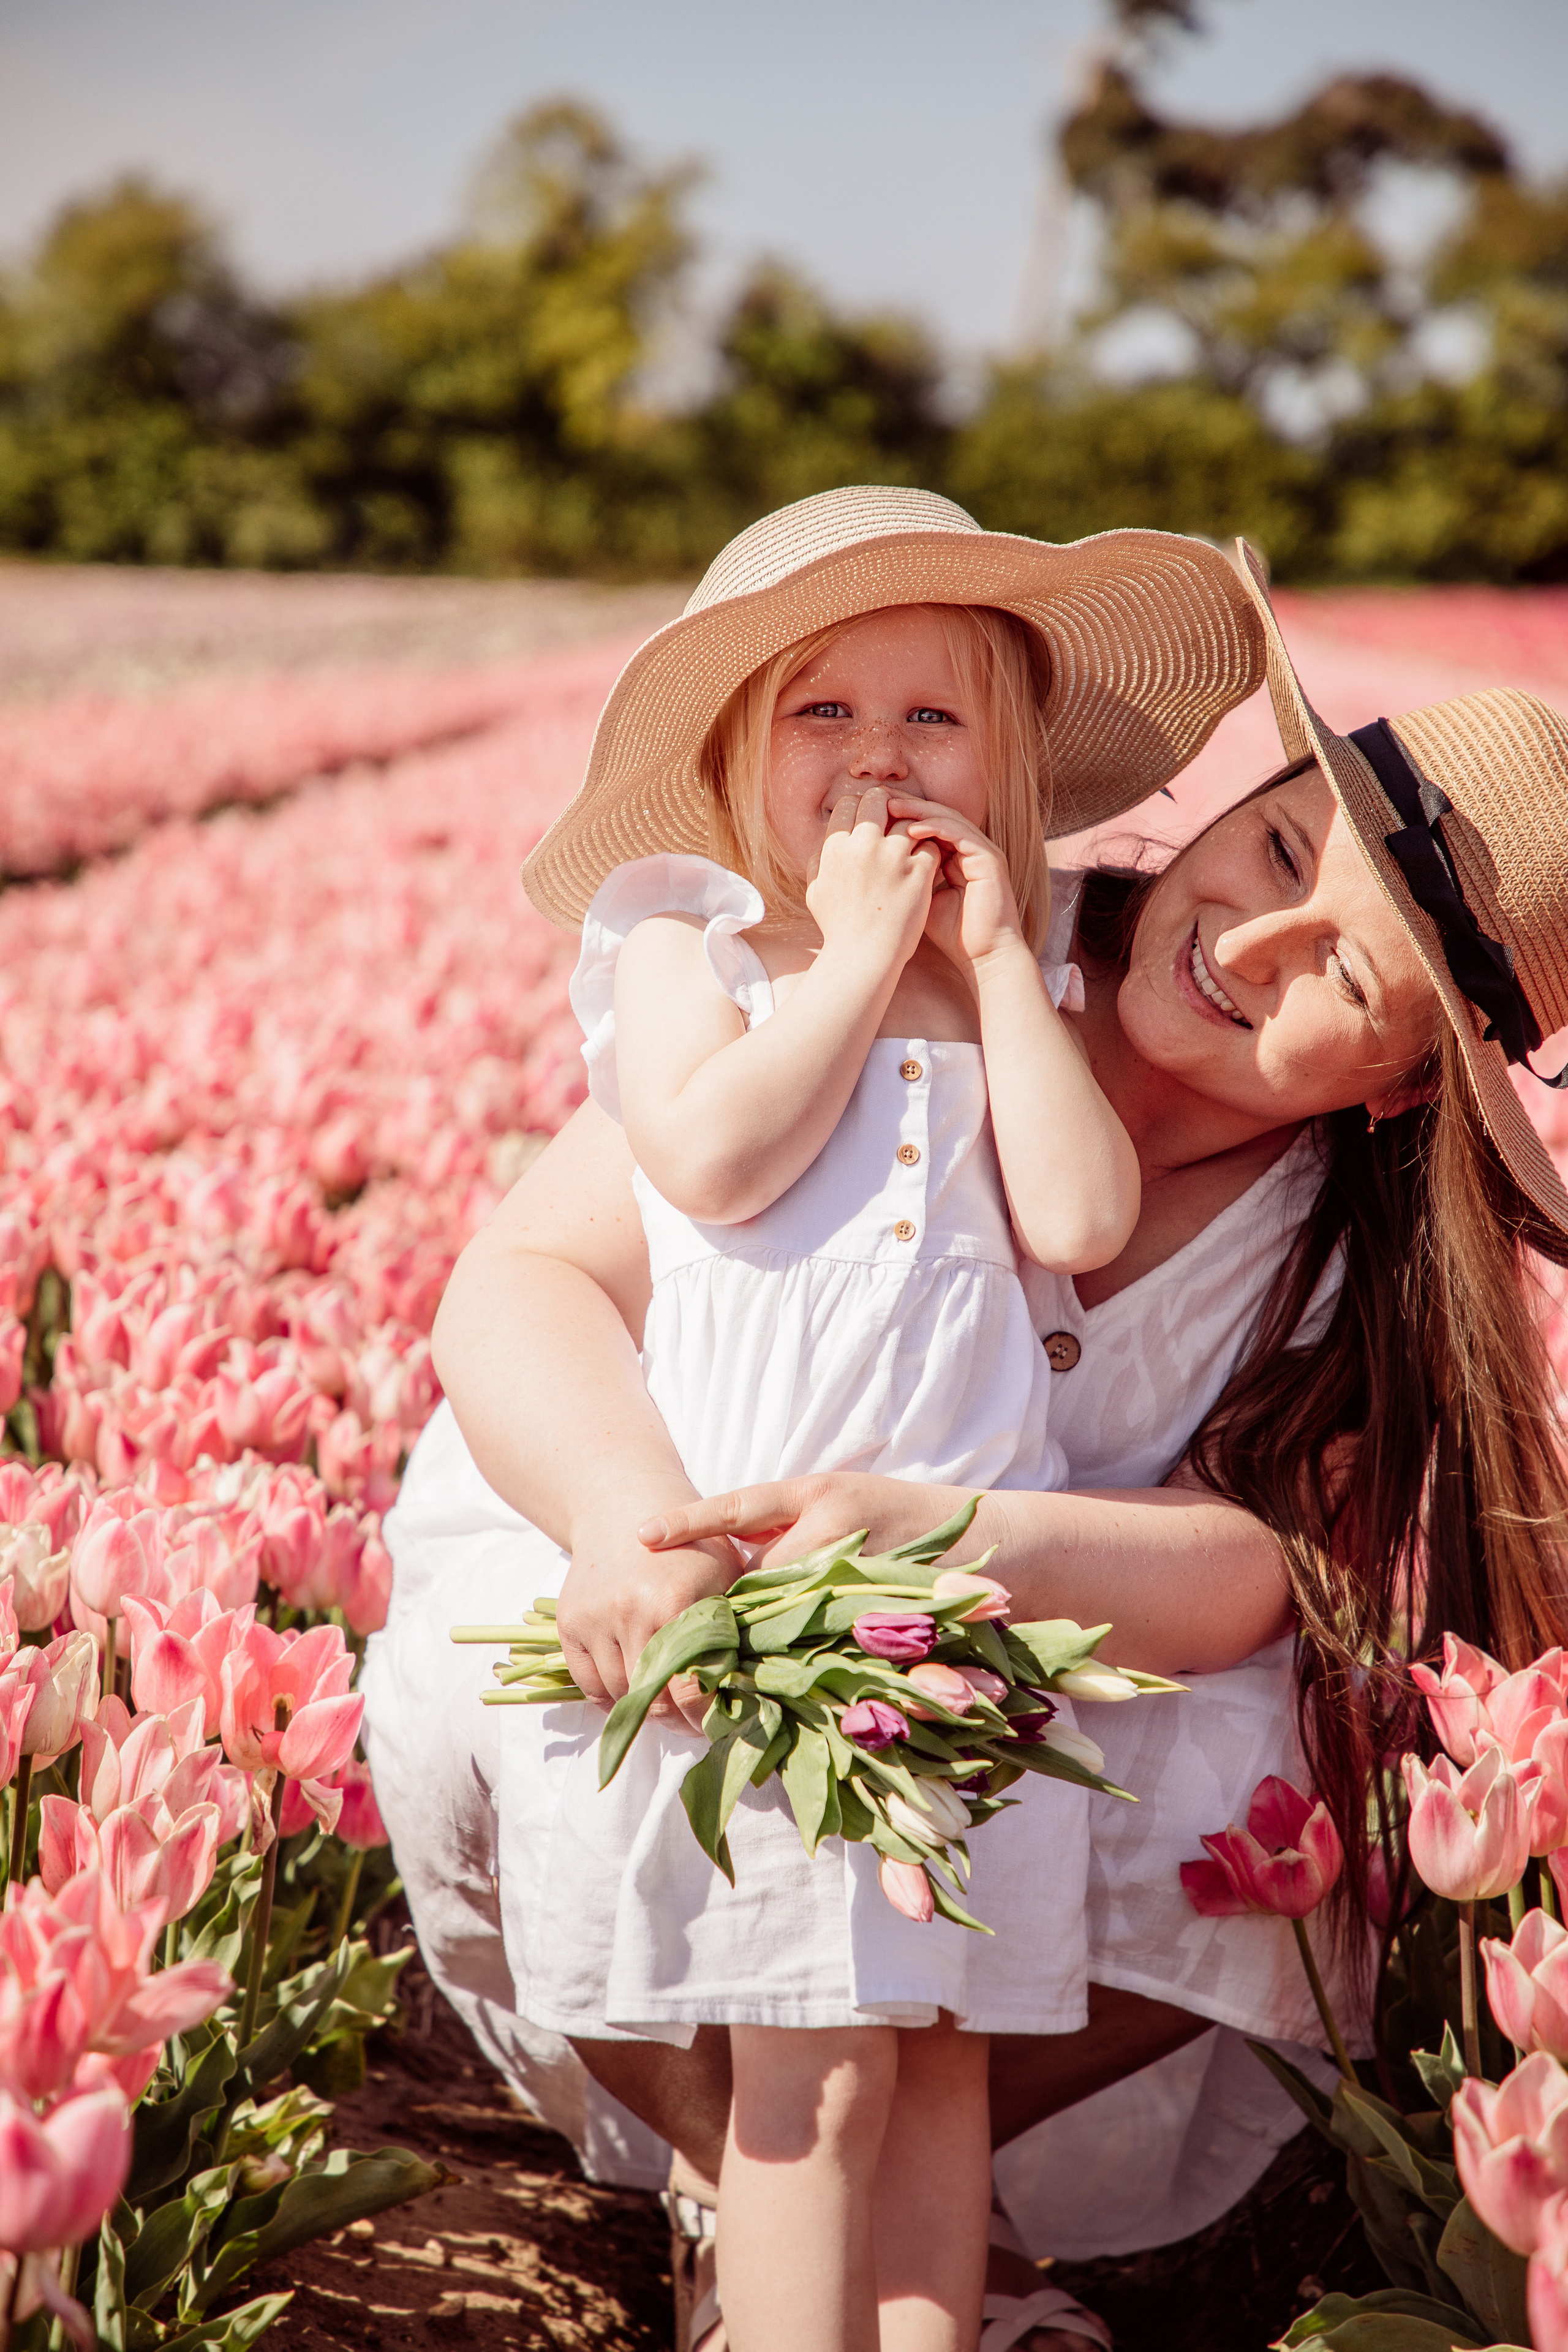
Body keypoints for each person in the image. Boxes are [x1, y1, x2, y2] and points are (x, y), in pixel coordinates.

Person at [361, 511, 1568, 2350]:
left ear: (1410, 1087)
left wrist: (948, 1542)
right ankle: (735, 2196)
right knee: (548, 1717)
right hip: (683, 1526)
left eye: (1348, 974)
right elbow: (532, 1277)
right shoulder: (903, 954)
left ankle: (906, 2237)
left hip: (990, 1626)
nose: (1260, 937)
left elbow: (1272, 1564)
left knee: (1278, 1799)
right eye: (1274, 848)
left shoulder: (1332, 1246)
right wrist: (643, 1519)